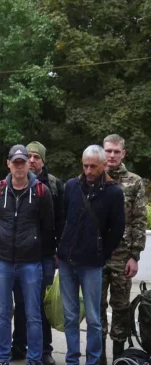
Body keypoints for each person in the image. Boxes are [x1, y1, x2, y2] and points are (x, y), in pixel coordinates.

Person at [0, 144, 54, 365]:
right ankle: (3, 359)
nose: (19, 167)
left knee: (33, 315)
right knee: (3, 315)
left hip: (31, 264)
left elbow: (48, 227)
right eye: (15, 163)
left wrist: (36, 248)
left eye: (22, 162)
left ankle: (34, 360)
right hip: (3, 262)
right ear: (8, 164)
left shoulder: (42, 192)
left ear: (28, 165)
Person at [57, 145, 125, 365]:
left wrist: (101, 253)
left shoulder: (114, 192)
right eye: (85, 165)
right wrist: (61, 246)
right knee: (70, 317)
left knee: (95, 319)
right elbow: (63, 218)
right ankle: (72, 360)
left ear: (104, 166)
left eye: (93, 166)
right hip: (67, 262)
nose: (88, 170)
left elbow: (117, 229)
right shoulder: (71, 186)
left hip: (92, 265)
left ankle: (93, 361)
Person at [11, 142, 65, 365]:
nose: (31, 160)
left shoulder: (53, 185)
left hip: (44, 254)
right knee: (20, 302)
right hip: (19, 255)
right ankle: (19, 345)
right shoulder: (13, 183)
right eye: (28, 156)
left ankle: (44, 349)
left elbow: (62, 220)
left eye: (36, 157)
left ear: (43, 161)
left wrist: (58, 251)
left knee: (39, 303)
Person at [100, 134, 147, 363]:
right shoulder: (93, 178)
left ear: (123, 154)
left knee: (120, 308)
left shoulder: (134, 182)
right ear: (102, 151)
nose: (111, 155)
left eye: (116, 151)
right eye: (108, 150)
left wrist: (134, 255)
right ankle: (97, 356)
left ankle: (119, 356)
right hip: (97, 257)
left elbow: (139, 220)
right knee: (96, 307)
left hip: (122, 257)